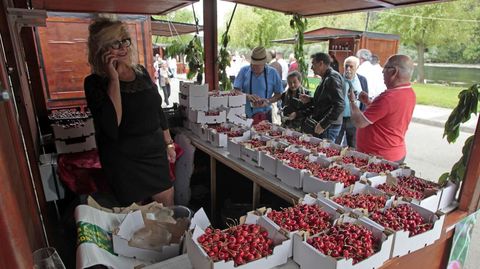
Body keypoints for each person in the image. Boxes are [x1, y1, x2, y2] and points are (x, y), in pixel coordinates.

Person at [84, 18, 176, 206]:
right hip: (123, 160)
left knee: (168, 211)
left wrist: (169, 143)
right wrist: (114, 80)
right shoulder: (94, 82)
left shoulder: (141, 71)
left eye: (124, 40)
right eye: (115, 43)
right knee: (135, 220)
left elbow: (157, 109)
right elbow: (111, 125)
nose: (123, 47)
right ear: (100, 48)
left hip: (154, 153)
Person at [349, 54, 416, 163]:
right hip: (393, 153)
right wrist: (369, 103)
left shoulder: (389, 98)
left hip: (380, 158)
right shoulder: (409, 92)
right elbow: (387, 115)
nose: (382, 72)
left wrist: (352, 101)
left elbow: (359, 122)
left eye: (385, 68)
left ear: (394, 72)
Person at [297, 52, 345, 140]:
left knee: (323, 152)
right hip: (326, 124)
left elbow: (339, 105)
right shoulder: (327, 77)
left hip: (329, 126)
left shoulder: (332, 78)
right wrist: (311, 100)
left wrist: (323, 124)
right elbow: (326, 101)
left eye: (313, 64)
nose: (311, 68)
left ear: (321, 64)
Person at [234, 46, 283, 124]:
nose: (254, 67)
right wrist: (247, 96)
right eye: (253, 64)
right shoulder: (244, 71)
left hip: (265, 115)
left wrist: (268, 101)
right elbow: (235, 91)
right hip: (245, 115)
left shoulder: (273, 73)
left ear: (264, 63)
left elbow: (279, 94)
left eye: (257, 65)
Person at [335, 56, 368, 148]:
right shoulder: (337, 79)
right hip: (339, 118)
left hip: (354, 119)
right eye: (346, 66)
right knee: (335, 144)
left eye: (351, 67)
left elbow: (365, 100)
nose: (348, 69)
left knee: (353, 145)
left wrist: (361, 116)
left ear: (357, 68)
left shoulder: (362, 80)